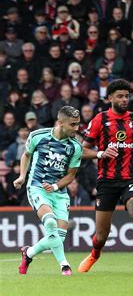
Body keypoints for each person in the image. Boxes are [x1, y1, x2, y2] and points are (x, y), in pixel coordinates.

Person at [77, 79, 133, 274]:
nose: (125, 99)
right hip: (106, 181)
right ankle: (94, 255)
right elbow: (82, 151)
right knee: (101, 236)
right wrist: (101, 153)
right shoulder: (100, 120)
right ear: (110, 98)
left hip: (131, 178)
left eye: (127, 96)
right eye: (120, 96)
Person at [15, 106, 83, 276]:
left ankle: (28, 253)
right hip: (37, 187)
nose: (77, 128)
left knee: (58, 237)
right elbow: (26, 155)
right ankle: (64, 265)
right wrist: (22, 176)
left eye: (78, 124)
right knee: (50, 222)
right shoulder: (38, 136)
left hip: (59, 193)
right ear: (60, 123)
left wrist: (54, 187)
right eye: (73, 125)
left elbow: (71, 176)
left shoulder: (76, 146)